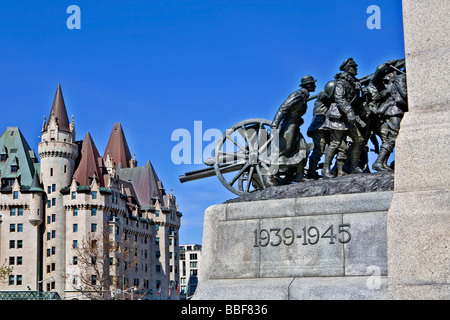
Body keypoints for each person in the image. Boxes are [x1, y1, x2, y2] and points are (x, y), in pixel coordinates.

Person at [321, 58, 366, 178]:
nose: (356, 68)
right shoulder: (341, 82)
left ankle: (353, 166)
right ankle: (325, 169)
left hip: (348, 117)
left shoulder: (354, 82)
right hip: (338, 116)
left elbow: (354, 101)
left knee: (359, 140)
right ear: (348, 68)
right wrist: (350, 111)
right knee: (335, 143)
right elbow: (339, 99)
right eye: (353, 67)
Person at [271, 75, 317, 182]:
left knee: (303, 149)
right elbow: (283, 108)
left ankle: (299, 176)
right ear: (308, 85)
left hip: (295, 125)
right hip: (289, 125)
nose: (315, 85)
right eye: (313, 83)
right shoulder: (297, 95)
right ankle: (268, 175)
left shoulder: (304, 96)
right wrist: (274, 124)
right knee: (284, 149)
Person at [372, 70, 407, 171]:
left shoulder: (398, 78)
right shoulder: (401, 78)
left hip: (395, 110)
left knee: (391, 137)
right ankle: (378, 162)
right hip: (394, 110)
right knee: (393, 137)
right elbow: (404, 93)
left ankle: (382, 163)